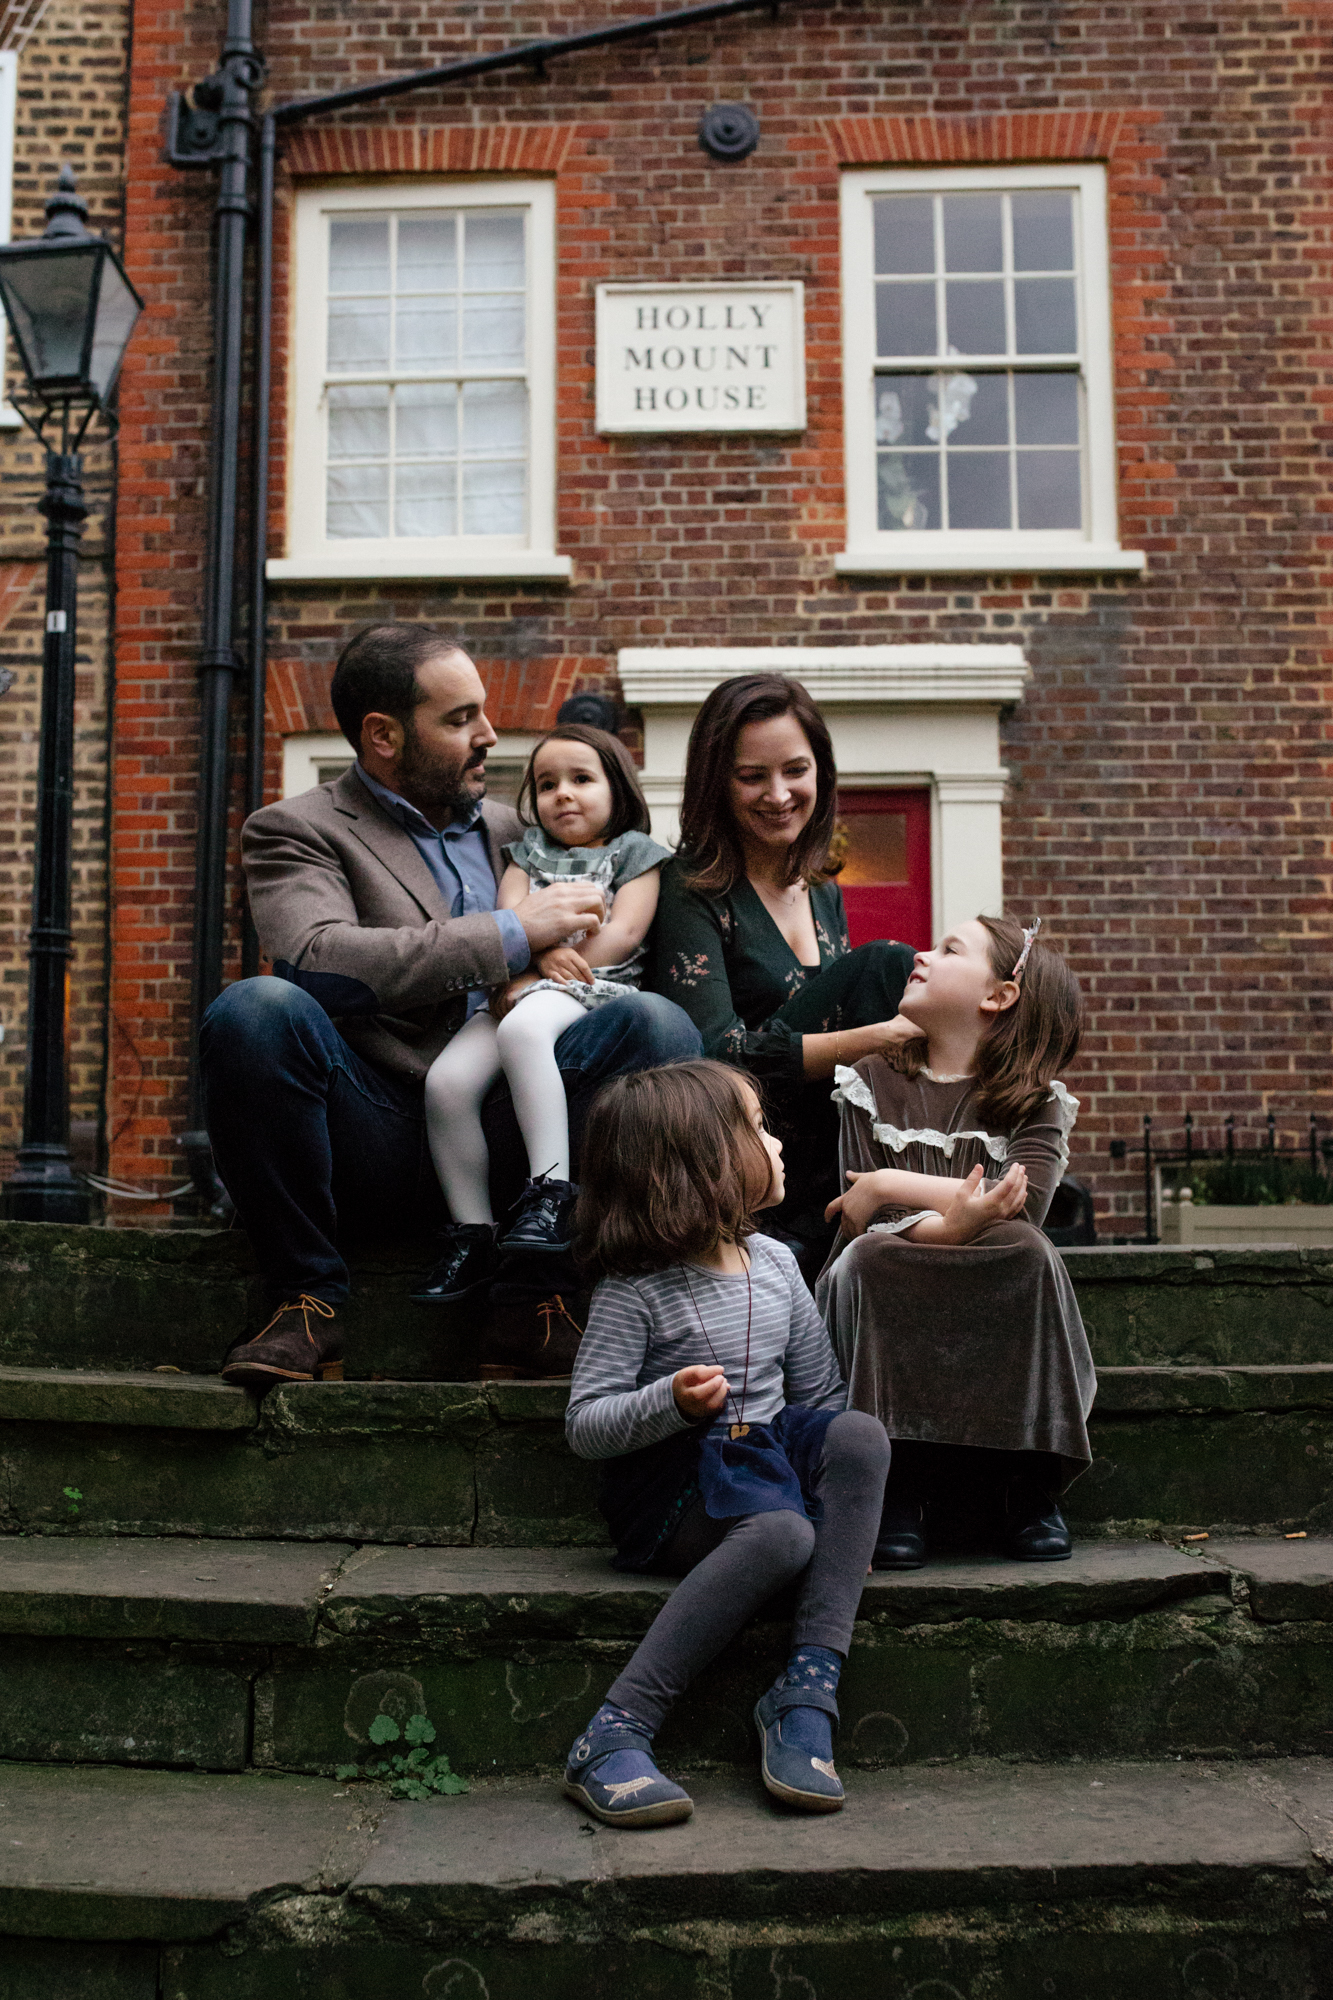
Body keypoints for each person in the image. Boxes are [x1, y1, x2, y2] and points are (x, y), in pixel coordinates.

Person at [202, 623, 700, 1389]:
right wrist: (510, 935)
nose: (488, 736)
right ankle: (305, 1299)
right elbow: (319, 960)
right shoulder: (295, 829)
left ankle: (535, 1302)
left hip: (518, 1131)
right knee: (255, 1009)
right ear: (383, 735)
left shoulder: (517, 829)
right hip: (373, 1127)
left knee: (656, 1023)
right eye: (460, 718)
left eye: (483, 714)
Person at [562, 1060, 891, 1827]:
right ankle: (613, 1733)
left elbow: (817, 1399)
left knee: (858, 1434)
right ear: (699, 1163)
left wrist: (846, 1522)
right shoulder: (634, 1288)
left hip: (767, 1461)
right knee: (780, 1534)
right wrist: (668, 1402)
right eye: (756, 1128)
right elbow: (585, 1425)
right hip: (680, 1490)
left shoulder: (775, 1262)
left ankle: (805, 1692)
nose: (776, 1144)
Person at [817, 915, 1095, 1569]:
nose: (918, 952)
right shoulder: (869, 1079)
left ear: (997, 996)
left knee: (1028, 1253)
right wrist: (951, 1221)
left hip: (992, 1262)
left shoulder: (1035, 1102)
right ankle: (894, 1481)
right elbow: (861, 1212)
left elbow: (1019, 1202)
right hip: (885, 1257)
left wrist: (890, 1179)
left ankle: (1023, 1483)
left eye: (946, 949)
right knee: (876, 1258)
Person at [648, 672, 917, 1275]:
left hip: (832, 1141)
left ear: (820, 771)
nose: (778, 793)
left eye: (795, 770)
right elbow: (716, 1057)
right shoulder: (689, 888)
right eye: (751, 776)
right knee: (889, 963)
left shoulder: (821, 890)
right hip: (750, 1150)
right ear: (717, 782)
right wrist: (872, 1040)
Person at [416, 724, 672, 1302]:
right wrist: (536, 958)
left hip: (592, 989)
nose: (563, 794)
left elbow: (626, 932)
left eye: (581, 779)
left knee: (527, 1032)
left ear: (618, 789)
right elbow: (511, 918)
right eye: (547, 783)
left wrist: (558, 961)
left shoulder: (636, 853)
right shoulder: (526, 853)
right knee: (446, 1082)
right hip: (522, 985)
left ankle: (550, 1194)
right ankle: (473, 1232)